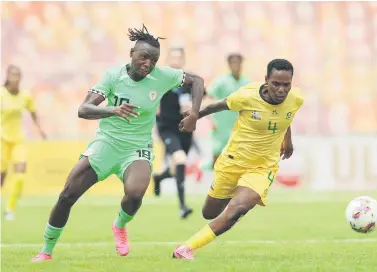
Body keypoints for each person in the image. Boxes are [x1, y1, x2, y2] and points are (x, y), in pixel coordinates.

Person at [31, 25, 205, 262]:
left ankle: (119, 225)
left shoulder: (163, 76)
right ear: (132, 53)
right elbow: (83, 109)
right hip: (106, 144)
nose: (148, 63)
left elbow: (197, 80)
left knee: (135, 194)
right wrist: (113, 110)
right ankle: (46, 250)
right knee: (67, 195)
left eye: (153, 59)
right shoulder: (114, 76)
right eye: (144, 57)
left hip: (137, 149)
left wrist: (194, 113)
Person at [173, 59, 303, 259]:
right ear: (266, 79)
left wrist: (288, 140)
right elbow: (217, 106)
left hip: (262, 167)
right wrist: (194, 116)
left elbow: (287, 116)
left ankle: (187, 247)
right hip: (232, 162)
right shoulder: (247, 95)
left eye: (286, 84)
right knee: (209, 212)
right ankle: (231, 204)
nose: (281, 89)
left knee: (237, 209)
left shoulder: (295, 99)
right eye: (276, 83)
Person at [153, 47, 197, 219]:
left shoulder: (189, 80)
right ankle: (183, 206)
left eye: (180, 57)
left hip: (185, 129)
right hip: (167, 128)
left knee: (178, 166)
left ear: (183, 60)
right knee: (180, 159)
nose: (176, 60)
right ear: (167, 60)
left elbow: (203, 96)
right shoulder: (160, 79)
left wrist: (193, 107)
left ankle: (158, 177)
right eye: (173, 57)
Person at [1, 65, 46, 221]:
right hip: (2, 140)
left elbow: (33, 112)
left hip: (18, 140)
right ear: (7, 76)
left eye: (18, 75)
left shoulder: (25, 96)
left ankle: (10, 209)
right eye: (13, 75)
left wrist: (40, 129)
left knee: (20, 175)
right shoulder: (1, 94)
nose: (16, 78)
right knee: (2, 176)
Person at [205, 54, 251, 168]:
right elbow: (208, 97)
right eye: (233, 63)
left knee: (238, 155)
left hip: (239, 124)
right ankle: (214, 180)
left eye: (238, 63)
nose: (236, 65)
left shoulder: (247, 82)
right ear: (229, 65)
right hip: (222, 124)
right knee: (218, 153)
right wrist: (210, 119)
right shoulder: (221, 81)